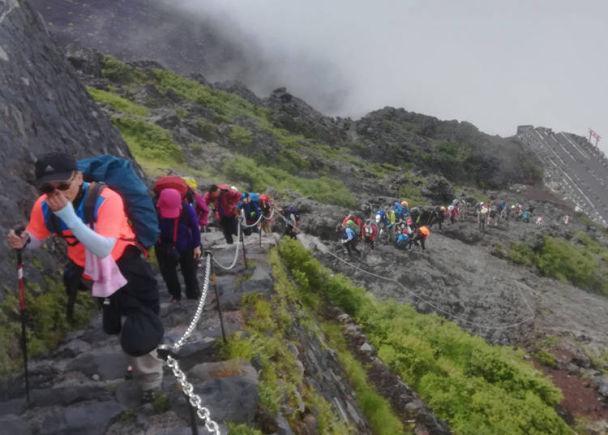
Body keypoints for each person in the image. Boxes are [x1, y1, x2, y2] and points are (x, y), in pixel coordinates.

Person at [7, 152, 163, 400]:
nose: (57, 193)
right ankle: (136, 364)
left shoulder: (106, 199)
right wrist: (23, 241)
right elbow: (36, 236)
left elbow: (103, 248)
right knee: (117, 322)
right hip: (94, 274)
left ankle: (151, 383)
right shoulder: (44, 205)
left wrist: (68, 215)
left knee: (140, 320)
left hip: (126, 265)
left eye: (64, 185)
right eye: (47, 188)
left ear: (79, 177)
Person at [155, 188, 201, 302]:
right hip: (164, 246)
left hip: (186, 245)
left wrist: (197, 246)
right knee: (168, 273)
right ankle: (175, 295)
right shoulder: (154, 210)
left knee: (189, 272)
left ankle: (193, 295)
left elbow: (195, 227)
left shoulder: (187, 209)